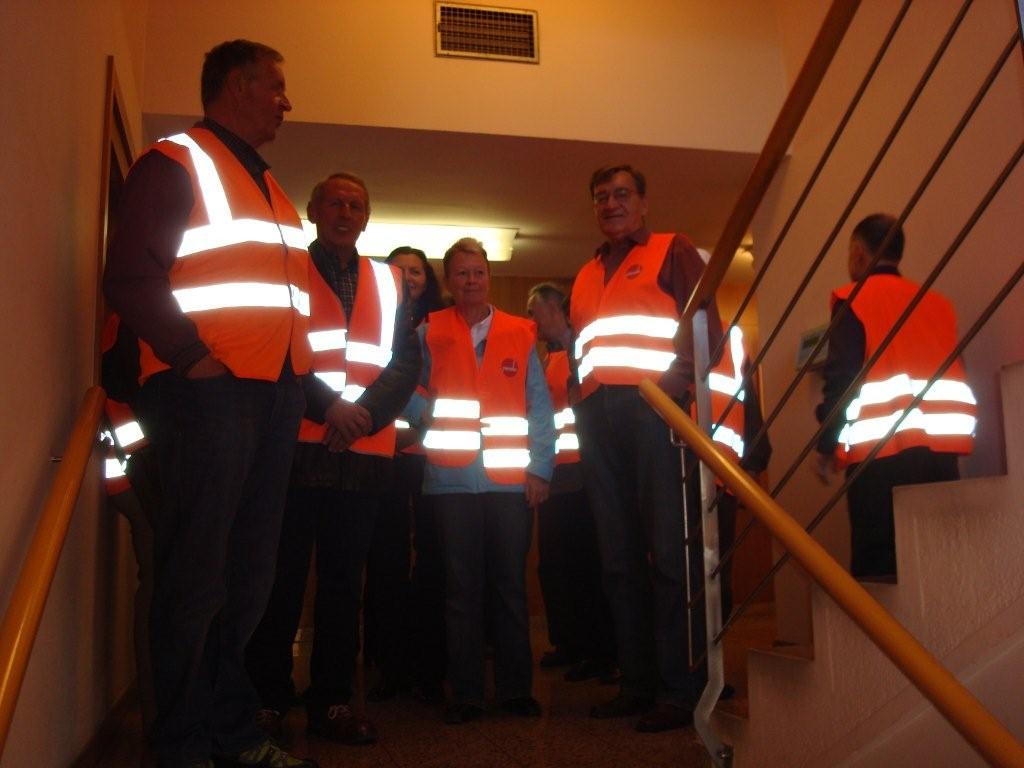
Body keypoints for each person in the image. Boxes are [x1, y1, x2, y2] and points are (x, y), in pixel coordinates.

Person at [103, 39, 323, 768]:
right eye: (276, 86)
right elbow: (129, 277)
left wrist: (297, 388)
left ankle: (232, 733)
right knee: (195, 578)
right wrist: (193, 358)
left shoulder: (272, 187)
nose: (286, 102)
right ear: (236, 85)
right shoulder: (177, 162)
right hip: (208, 396)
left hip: (273, 397)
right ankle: (182, 745)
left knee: (249, 579)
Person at [245, 175, 420, 744]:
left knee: (345, 587)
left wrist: (362, 415)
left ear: (366, 218)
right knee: (281, 582)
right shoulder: (286, 268)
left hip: (362, 457)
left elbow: (405, 364)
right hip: (295, 451)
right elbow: (276, 348)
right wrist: (331, 409)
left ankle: (332, 704)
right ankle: (269, 701)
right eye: (335, 203)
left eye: (356, 205)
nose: (345, 212)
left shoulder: (390, 281)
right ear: (314, 210)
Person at [570, 164, 723, 733]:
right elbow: (583, 348)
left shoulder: (671, 249)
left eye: (621, 194)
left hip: (653, 412)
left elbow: (707, 330)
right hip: (598, 418)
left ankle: (680, 690)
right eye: (601, 197)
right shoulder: (586, 272)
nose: (611, 204)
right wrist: (580, 401)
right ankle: (636, 684)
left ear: (643, 202)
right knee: (618, 559)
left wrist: (672, 389)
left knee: (669, 555)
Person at [404, 238, 556, 724]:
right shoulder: (430, 330)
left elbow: (540, 407)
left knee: (510, 587)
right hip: (450, 480)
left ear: (488, 277)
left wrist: (541, 468)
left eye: (479, 272)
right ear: (450, 281)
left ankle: (515, 691)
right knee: (461, 589)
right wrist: (426, 413)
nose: (471, 281)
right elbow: (404, 385)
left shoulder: (519, 331)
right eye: (462, 273)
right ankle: (466, 694)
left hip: (510, 483)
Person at [812, 213, 976, 582]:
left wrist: (825, 445)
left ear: (858, 252)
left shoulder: (853, 300)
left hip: (880, 462)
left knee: (882, 575)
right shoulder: (937, 303)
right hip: (941, 458)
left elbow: (842, 380)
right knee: (937, 568)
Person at [363, 247, 448, 703]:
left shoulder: (442, 325)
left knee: (433, 558)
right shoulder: (371, 317)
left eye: (417, 270)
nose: (409, 276)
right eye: (400, 269)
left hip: (431, 457)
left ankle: (430, 664)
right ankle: (388, 664)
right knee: (386, 559)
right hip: (383, 455)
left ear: (427, 280)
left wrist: (423, 422)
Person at [525, 282, 616, 683]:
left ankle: (599, 650)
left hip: (585, 474)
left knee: (586, 564)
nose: (531, 321)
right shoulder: (547, 359)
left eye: (535, 312)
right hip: (555, 474)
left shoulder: (585, 353)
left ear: (555, 309)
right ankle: (569, 642)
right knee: (555, 565)